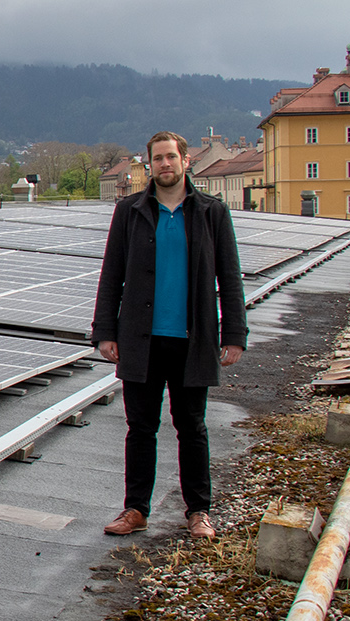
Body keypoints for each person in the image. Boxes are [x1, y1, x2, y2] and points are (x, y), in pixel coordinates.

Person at [92, 131, 245, 541]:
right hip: (141, 339)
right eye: (157, 159)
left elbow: (229, 277)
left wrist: (234, 334)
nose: (164, 164)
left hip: (192, 338)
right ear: (150, 165)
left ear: (186, 161)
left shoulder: (211, 212)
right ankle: (136, 509)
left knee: (192, 426)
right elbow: (112, 275)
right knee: (140, 427)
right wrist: (104, 331)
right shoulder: (130, 211)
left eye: (170, 157)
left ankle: (198, 512)